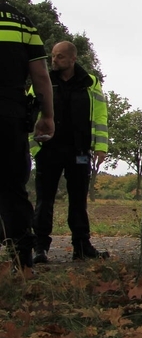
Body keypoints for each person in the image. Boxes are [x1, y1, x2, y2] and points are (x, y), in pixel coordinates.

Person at [32, 40, 109, 262]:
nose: (54, 60)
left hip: (79, 150)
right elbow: (29, 115)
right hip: (49, 150)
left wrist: (101, 147)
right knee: (44, 200)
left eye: (60, 56)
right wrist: (35, 149)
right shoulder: (43, 81)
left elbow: (100, 116)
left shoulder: (90, 83)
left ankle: (81, 247)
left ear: (73, 59)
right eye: (53, 56)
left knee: (78, 201)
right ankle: (40, 248)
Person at [0, 0, 55, 270]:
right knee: (13, 188)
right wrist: (48, 116)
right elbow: (40, 75)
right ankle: (22, 263)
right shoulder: (21, 21)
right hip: (9, 114)